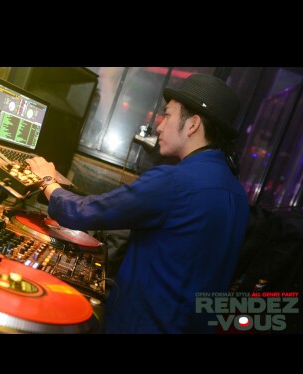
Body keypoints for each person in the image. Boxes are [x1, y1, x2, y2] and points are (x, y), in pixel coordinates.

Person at [26, 73, 250, 334]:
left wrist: (47, 181)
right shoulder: (238, 194)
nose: (159, 126)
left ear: (193, 124)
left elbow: (83, 213)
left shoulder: (174, 181)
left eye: (167, 115)